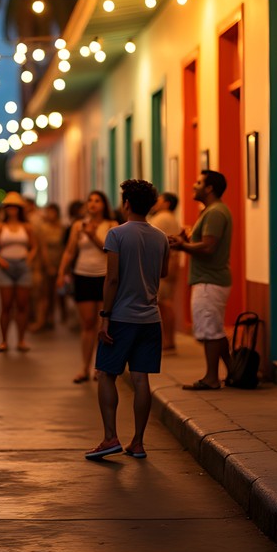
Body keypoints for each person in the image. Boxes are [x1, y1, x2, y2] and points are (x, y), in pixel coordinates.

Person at [86, 180, 170, 461]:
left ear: (127, 204)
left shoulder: (116, 234)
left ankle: (110, 437)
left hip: (121, 317)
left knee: (106, 374)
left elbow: (112, 279)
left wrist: (105, 317)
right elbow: (163, 272)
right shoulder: (161, 237)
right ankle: (138, 442)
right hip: (151, 319)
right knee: (141, 378)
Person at [169, 171, 233, 390]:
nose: (193, 186)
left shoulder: (215, 212)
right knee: (214, 329)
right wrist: (185, 242)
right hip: (210, 279)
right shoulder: (212, 211)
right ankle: (233, 371)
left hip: (209, 280)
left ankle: (211, 378)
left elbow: (208, 247)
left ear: (209, 188)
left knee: (209, 331)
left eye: (198, 182)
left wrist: (182, 246)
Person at [58, 191, 118, 383]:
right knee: (87, 323)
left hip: (104, 277)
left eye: (97, 201)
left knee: (103, 325)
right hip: (82, 275)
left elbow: (111, 251)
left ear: (104, 205)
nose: (93, 204)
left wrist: (93, 236)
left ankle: (99, 367)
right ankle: (84, 367)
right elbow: (69, 251)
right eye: (90, 200)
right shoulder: (78, 225)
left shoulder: (112, 225)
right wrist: (61, 272)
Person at [0, 192, 37, 353]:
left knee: (22, 305)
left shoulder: (27, 226)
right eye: (9, 207)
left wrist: (29, 259)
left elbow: (34, 246)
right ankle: (4, 340)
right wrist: (0, 260)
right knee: (6, 305)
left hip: (22, 266)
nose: (12, 210)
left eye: (15, 207)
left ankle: (21, 340)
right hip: (5, 266)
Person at [148, 192, 182, 352]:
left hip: (163, 265)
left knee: (164, 303)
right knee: (164, 302)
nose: (156, 202)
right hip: (166, 264)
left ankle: (168, 341)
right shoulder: (168, 218)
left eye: (159, 200)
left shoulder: (163, 218)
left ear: (167, 203)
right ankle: (168, 340)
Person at [34, 203, 66, 331]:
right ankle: (41, 320)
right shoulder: (43, 228)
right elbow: (42, 248)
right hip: (46, 263)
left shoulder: (61, 227)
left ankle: (51, 318)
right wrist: (48, 265)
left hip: (59, 262)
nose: (50, 215)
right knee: (44, 293)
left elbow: (64, 246)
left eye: (52, 212)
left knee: (55, 294)